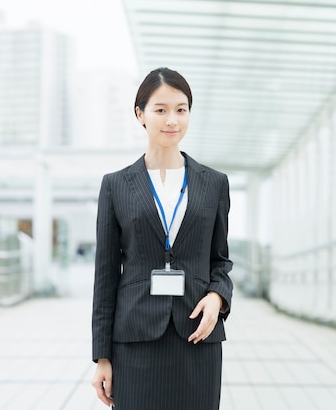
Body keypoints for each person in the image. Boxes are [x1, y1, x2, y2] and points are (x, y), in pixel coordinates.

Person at [91, 67, 233, 410]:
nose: (172, 120)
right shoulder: (115, 185)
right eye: (161, 110)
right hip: (135, 339)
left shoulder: (214, 183)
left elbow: (221, 260)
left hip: (196, 335)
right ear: (140, 114)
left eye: (181, 110)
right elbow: (106, 274)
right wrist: (102, 357)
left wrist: (217, 297)